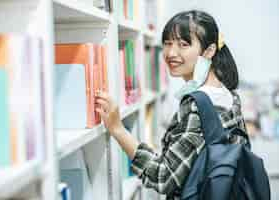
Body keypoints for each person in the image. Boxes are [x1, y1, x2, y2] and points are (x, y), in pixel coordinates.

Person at [95, 10, 246, 199]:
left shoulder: (198, 105)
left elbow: (164, 177)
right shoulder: (229, 95)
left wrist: (118, 129)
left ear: (209, 51)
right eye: (167, 43)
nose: (171, 53)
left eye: (183, 44)